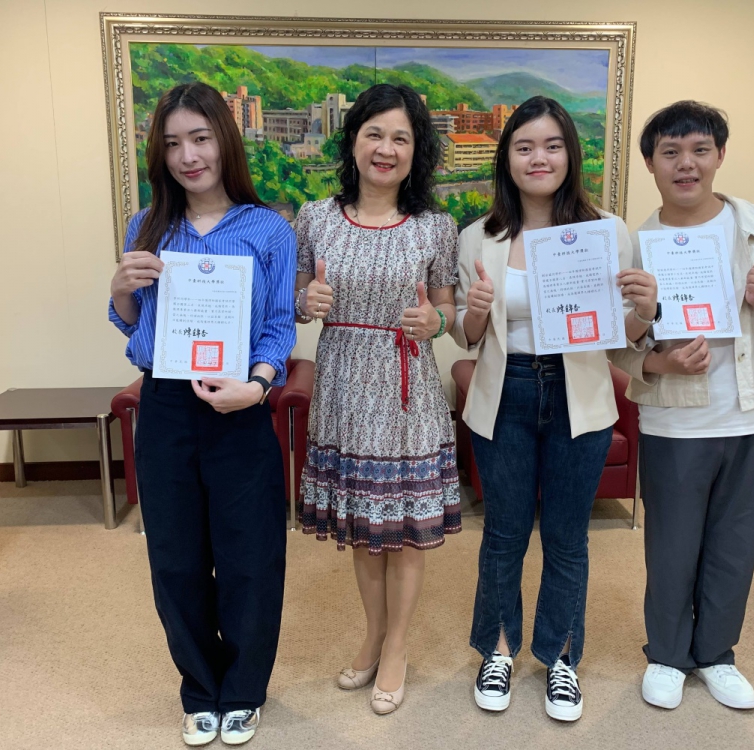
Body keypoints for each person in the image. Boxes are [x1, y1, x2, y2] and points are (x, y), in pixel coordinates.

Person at [451, 96, 657, 721]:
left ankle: (561, 655)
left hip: (579, 395)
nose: (538, 158)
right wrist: (475, 312)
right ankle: (499, 650)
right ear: (507, 159)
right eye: (524, 147)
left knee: (568, 537)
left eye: (551, 145)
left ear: (570, 154)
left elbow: (621, 337)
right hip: (505, 392)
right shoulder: (478, 236)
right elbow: (465, 336)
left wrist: (647, 312)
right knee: (505, 534)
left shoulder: (607, 232)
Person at [108, 82, 296, 746]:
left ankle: (242, 689)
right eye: (172, 144)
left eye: (200, 138)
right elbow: (131, 323)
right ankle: (199, 687)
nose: (188, 156)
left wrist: (258, 386)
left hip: (240, 407)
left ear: (225, 141)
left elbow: (278, 326)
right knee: (176, 557)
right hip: (165, 404)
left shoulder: (269, 229)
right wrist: (119, 290)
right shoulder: (146, 226)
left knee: (250, 556)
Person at [624, 101, 754, 711]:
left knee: (735, 546)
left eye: (699, 150)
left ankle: (716, 655)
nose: (686, 164)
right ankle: (666, 655)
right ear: (651, 164)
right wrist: (656, 353)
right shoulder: (636, 245)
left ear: (720, 155)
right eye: (670, 152)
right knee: (671, 549)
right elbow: (616, 343)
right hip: (674, 420)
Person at [294, 83, 459, 715]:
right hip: (343, 384)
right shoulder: (315, 217)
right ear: (353, 141)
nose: (386, 149)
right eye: (374, 134)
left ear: (417, 151)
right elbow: (295, 299)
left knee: (406, 532)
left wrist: (435, 322)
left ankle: (397, 646)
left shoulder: (435, 226)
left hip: (406, 386)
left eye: (400, 138)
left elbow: (447, 310)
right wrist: (305, 301)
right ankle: (372, 634)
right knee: (365, 530)